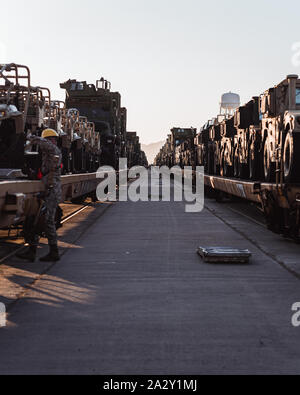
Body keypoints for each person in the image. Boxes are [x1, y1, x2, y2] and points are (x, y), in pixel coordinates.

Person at [17, 128, 62, 262]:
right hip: (47, 189)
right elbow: (44, 172)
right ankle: (32, 250)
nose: (53, 141)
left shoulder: (54, 150)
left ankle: (54, 252)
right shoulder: (46, 155)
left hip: (52, 191)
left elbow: (47, 145)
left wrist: (31, 138)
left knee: (47, 221)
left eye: (53, 139)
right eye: (51, 138)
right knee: (36, 219)